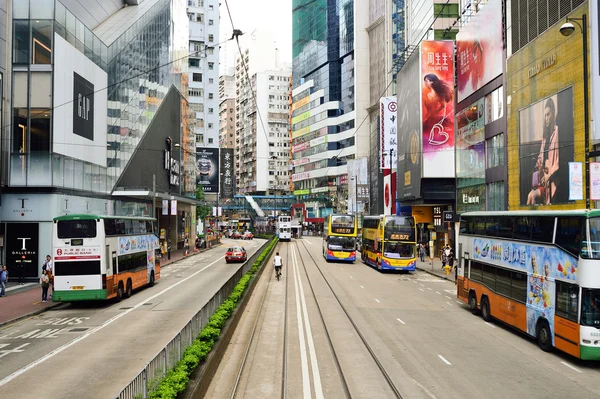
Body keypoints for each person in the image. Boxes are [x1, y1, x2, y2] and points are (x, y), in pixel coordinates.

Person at [527, 97, 559, 205]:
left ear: (553, 113)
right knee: (530, 195)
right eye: (545, 115)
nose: (546, 118)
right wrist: (538, 165)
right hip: (543, 180)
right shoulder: (545, 137)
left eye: (548, 114)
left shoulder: (556, 132)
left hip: (551, 180)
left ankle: (534, 220)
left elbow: (557, 162)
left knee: (533, 196)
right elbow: (540, 156)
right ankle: (526, 220)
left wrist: (548, 176)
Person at [422, 73, 454, 140]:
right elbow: (442, 106)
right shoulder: (434, 94)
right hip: (432, 118)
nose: (425, 83)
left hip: (432, 119)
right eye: (424, 81)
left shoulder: (431, 95)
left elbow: (442, 106)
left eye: (426, 81)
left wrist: (434, 113)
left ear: (431, 82)